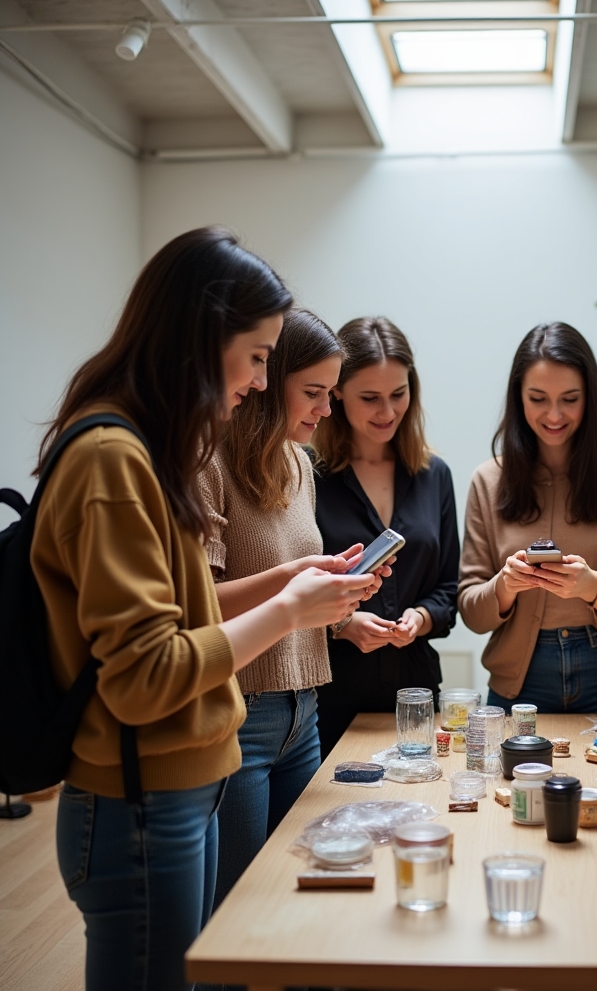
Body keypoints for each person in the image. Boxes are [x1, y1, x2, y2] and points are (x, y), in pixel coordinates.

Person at [34, 228, 376, 991]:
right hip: (138, 798)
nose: (261, 381)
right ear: (202, 336)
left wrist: (292, 583)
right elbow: (146, 674)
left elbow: (181, 613)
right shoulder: (112, 459)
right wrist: (291, 607)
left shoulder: (148, 453)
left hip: (174, 785)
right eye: (257, 356)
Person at [197, 309, 383, 913]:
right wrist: (293, 583)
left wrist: (340, 598)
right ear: (265, 381)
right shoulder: (208, 463)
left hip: (306, 706)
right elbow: (197, 609)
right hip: (240, 714)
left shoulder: (300, 464)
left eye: (331, 394)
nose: (327, 411)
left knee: (296, 898)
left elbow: (294, 602)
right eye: (314, 393)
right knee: (239, 911)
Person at [459, 322, 597, 713]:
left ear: (590, 397)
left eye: (570, 398)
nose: (554, 414)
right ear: (518, 397)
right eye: (538, 398)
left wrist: (593, 587)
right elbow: (471, 611)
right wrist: (505, 585)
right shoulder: (488, 480)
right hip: (519, 684)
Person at [312, 317, 459, 755]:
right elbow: (288, 592)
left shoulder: (435, 475)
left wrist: (422, 617)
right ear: (336, 392)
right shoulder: (306, 474)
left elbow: (449, 590)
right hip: (331, 694)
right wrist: (340, 625)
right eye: (370, 398)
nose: (388, 412)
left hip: (416, 692)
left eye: (399, 394)